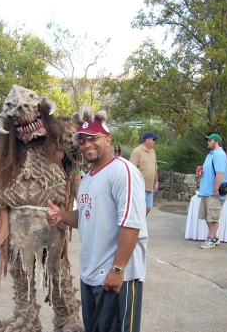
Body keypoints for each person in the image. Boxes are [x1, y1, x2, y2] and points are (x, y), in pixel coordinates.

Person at [46, 118, 148, 332]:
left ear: (108, 140)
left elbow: (131, 224)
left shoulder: (123, 171)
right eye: (82, 141)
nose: (86, 144)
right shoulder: (88, 178)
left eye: (93, 138)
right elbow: (85, 217)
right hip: (91, 274)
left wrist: (118, 269)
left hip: (117, 277)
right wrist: (62, 215)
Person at [196, 134, 227, 249]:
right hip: (206, 191)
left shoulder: (219, 154)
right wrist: (201, 171)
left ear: (216, 142)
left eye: (209, 140)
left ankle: (210, 239)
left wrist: (216, 189)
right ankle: (214, 237)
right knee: (207, 216)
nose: (207, 142)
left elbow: (220, 173)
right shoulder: (210, 155)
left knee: (213, 216)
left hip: (213, 192)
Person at [130, 132, 160, 215]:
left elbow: (155, 168)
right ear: (147, 140)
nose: (154, 142)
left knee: (148, 208)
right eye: (153, 140)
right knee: (139, 209)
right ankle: (138, 226)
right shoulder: (137, 151)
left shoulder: (153, 152)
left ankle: (141, 224)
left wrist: (156, 182)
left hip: (150, 186)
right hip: (140, 186)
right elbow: (132, 169)